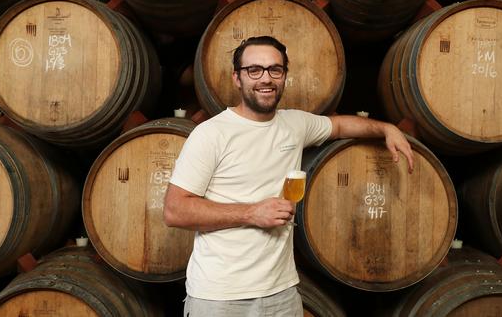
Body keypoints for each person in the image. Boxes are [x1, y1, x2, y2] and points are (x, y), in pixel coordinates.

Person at [164, 36, 414, 316]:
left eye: (275, 69)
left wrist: (386, 129)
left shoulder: (294, 124)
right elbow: (175, 210)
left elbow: (341, 125)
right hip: (220, 296)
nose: (265, 79)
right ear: (237, 78)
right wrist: (251, 213)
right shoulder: (212, 134)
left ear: (284, 75)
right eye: (254, 70)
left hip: (281, 294)